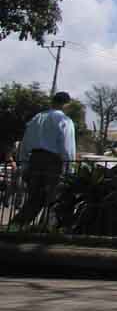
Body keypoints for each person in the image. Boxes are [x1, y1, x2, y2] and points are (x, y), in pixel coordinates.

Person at [13, 91, 76, 228]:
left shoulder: (37, 118)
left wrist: (24, 162)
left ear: (53, 102)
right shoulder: (65, 120)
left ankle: (19, 224)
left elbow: (25, 141)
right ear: (66, 105)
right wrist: (69, 167)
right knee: (53, 196)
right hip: (53, 161)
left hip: (34, 159)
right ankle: (45, 227)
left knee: (35, 195)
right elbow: (67, 146)